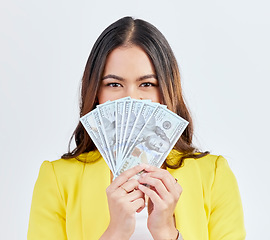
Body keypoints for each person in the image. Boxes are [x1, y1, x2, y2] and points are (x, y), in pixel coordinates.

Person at [27, 16, 246, 239]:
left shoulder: (214, 176)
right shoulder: (56, 178)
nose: (131, 99)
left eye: (147, 84)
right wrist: (115, 233)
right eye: (114, 84)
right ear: (95, 94)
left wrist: (166, 232)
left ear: (166, 92)